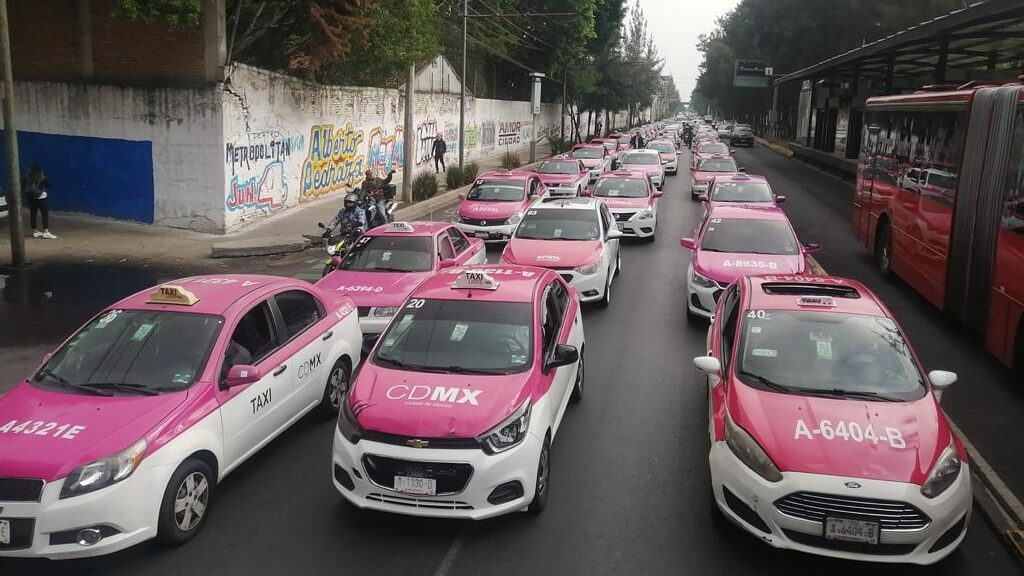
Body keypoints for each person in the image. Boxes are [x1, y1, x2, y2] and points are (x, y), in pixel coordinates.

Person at [22, 163, 56, 239]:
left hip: (31, 198)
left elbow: (23, 185)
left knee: (33, 214)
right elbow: (48, 185)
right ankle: (45, 232)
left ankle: (35, 232)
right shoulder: (41, 176)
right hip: (42, 198)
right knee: (44, 214)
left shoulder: (27, 176)